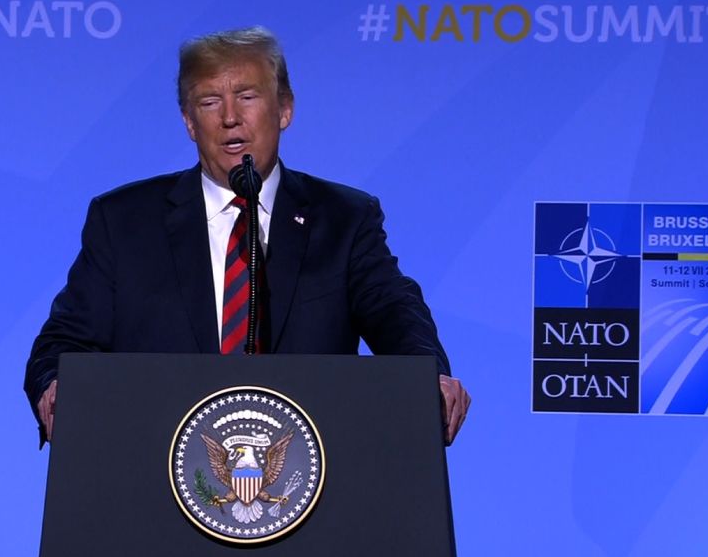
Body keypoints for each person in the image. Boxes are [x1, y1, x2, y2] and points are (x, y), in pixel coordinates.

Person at [25, 26, 469, 446]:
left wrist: (426, 376)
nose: (230, 118)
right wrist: (55, 387)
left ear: (285, 108)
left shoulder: (344, 220)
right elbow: (64, 340)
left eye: (247, 96)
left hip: (310, 479)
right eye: (209, 102)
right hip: (151, 474)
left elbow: (395, 313)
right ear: (188, 122)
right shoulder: (124, 221)